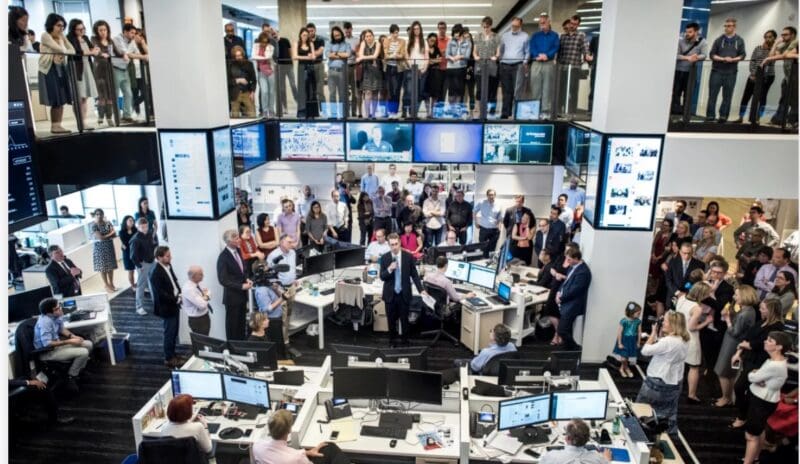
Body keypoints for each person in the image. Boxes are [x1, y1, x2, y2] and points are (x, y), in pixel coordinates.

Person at [730, 298, 786, 431]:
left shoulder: (777, 327)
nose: (760, 310)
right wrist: (738, 353)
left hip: (761, 362)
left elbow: (758, 344)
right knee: (742, 388)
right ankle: (744, 414)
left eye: (763, 308)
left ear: (771, 310)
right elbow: (747, 339)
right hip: (749, 358)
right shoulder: (761, 322)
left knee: (740, 387)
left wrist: (748, 345)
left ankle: (743, 416)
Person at [636, 310, 690, 436]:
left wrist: (653, 333)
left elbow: (645, 351)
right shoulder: (685, 339)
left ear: (673, 324)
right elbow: (665, 348)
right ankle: (665, 437)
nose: (662, 323)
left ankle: (639, 434)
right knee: (667, 413)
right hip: (675, 381)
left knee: (641, 410)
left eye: (664, 321)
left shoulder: (668, 342)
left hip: (657, 381)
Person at [741, 332, 791, 464]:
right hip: (763, 399)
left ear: (779, 347)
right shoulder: (775, 361)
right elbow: (758, 377)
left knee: (751, 435)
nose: (765, 341)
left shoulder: (774, 365)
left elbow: (752, 377)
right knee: (759, 430)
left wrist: (754, 374)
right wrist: (758, 376)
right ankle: (755, 457)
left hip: (761, 402)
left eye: (770, 340)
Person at [34, 298, 93, 393]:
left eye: (59, 307)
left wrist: (73, 336)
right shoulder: (45, 322)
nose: (60, 309)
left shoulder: (56, 316)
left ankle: (79, 371)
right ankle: (71, 377)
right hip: (48, 352)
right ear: (49, 313)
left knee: (88, 344)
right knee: (83, 352)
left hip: (57, 346)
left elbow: (61, 329)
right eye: (57, 309)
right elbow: (47, 343)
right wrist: (69, 341)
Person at [714, 285, 759, 408]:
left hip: (732, 344)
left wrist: (727, 319)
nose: (734, 297)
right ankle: (728, 397)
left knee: (723, 371)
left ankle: (726, 398)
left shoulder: (746, 313)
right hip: (733, 343)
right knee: (729, 372)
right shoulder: (748, 310)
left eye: (737, 295)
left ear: (744, 296)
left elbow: (734, 332)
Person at [252, 409, 350, 464]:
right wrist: (303, 455)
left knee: (326, 448)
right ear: (289, 430)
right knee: (330, 447)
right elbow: (295, 458)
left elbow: (282, 454)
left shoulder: (257, 446)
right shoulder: (296, 457)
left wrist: (307, 452)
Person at [380, 233, 426, 346]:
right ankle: (392, 341)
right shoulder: (385, 258)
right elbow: (382, 277)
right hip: (390, 294)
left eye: (396, 244)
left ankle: (405, 341)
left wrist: (421, 290)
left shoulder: (408, 257)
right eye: (392, 245)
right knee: (391, 320)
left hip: (403, 293)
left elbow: (414, 275)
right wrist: (389, 269)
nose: (394, 247)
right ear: (389, 245)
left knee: (404, 320)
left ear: (400, 243)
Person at [675, 282, 715, 404]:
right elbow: (692, 327)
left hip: (678, 335)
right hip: (691, 339)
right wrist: (707, 321)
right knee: (694, 367)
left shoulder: (681, 298)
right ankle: (691, 395)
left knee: (678, 363)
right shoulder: (697, 308)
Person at [38, 13, 75, 134]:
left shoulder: (61, 36)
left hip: (60, 67)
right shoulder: (45, 35)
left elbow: (72, 50)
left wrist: (64, 47)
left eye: (63, 26)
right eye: (59, 25)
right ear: (51, 25)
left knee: (62, 97)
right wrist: (63, 49)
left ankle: (58, 125)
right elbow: (61, 49)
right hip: (49, 69)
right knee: (56, 98)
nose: (61, 29)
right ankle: (55, 126)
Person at [705, 18, 746, 123]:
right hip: (717, 71)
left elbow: (742, 55)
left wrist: (732, 59)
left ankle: (723, 116)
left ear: (734, 27)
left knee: (727, 96)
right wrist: (723, 59)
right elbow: (712, 55)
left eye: (729, 26)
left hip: (731, 73)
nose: (726, 28)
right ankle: (710, 116)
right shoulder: (718, 40)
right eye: (725, 26)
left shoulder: (739, 40)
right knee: (712, 95)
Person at [149, 246, 183, 368]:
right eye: (167, 256)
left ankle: (173, 354)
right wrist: (176, 299)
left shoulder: (168, 265)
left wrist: (179, 293)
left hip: (174, 303)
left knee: (174, 332)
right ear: (159, 258)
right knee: (169, 333)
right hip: (167, 307)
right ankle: (169, 358)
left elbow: (173, 281)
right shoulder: (155, 273)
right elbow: (161, 294)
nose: (170, 257)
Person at [217, 229, 252, 341]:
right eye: (236, 239)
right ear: (228, 242)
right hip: (232, 298)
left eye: (238, 237)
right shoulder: (223, 257)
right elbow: (223, 280)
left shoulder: (238, 250)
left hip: (242, 296)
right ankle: (233, 347)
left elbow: (243, 269)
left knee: (241, 324)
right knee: (233, 327)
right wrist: (241, 286)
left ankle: (241, 345)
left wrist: (247, 279)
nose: (239, 240)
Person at [736, 29, 777, 123]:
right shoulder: (758, 48)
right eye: (766, 37)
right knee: (746, 96)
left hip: (767, 77)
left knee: (762, 97)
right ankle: (740, 117)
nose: (767, 39)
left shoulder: (775, 50)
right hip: (753, 76)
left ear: (774, 38)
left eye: (770, 37)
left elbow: (771, 62)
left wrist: (770, 48)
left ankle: (758, 118)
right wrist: (753, 74)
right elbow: (752, 61)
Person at [267, 235, 299, 358]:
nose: (292, 244)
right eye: (289, 242)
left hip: (292, 287)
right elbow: (269, 274)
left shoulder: (293, 253)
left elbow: (292, 268)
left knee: (289, 315)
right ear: (281, 242)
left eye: (292, 242)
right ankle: (284, 343)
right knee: (283, 317)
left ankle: (286, 337)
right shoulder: (273, 255)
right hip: (281, 289)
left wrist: (294, 279)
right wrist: (277, 290)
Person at [556, 247, 592, 351]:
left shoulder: (583, 272)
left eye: (569, 259)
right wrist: (559, 291)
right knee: (567, 329)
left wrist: (561, 298)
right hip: (566, 303)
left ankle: (575, 348)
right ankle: (567, 348)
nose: (567, 261)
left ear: (576, 258)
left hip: (573, 305)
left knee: (562, 330)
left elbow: (575, 291)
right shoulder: (573, 267)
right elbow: (566, 282)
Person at [66, 19, 99, 129]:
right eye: (79, 29)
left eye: (83, 28)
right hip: (77, 68)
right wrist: (91, 52)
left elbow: (91, 49)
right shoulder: (70, 39)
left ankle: (84, 122)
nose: (82, 31)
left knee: (85, 97)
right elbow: (76, 52)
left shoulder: (85, 38)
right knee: (79, 97)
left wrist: (95, 50)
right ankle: (80, 122)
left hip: (87, 67)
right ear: (73, 30)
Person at [763, 26, 798, 127]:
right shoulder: (784, 44)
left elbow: (785, 55)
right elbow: (772, 55)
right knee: (783, 99)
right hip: (787, 76)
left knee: (795, 100)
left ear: (792, 35)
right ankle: (778, 120)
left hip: (796, 76)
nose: (783, 36)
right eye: (782, 35)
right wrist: (775, 44)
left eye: (785, 34)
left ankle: (792, 121)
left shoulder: (796, 42)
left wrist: (769, 59)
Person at [557, 15, 592, 116]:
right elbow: (559, 51)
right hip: (563, 68)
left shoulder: (581, 35)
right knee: (561, 91)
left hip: (574, 68)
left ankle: (572, 113)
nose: (572, 26)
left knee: (573, 91)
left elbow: (585, 47)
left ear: (578, 25)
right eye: (571, 23)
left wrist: (587, 55)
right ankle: (559, 111)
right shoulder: (563, 36)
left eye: (575, 24)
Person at [671, 22, 708, 115]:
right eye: (686, 32)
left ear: (696, 32)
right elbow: (675, 55)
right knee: (676, 93)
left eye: (690, 32)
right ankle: (675, 113)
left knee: (688, 94)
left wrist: (696, 57)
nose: (687, 34)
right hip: (678, 71)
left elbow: (704, 55)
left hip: (691, 72)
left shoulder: (702, 42)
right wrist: (687, 58)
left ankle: (685, 114)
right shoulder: (681, 41)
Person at [111, 24, 145, 123]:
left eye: (134, 33)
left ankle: (126, 115)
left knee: (128, 93)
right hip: (115, 69)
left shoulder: (132, 41)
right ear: (125, 32)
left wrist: (141, 55)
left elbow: (137, 53)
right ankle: (117, 117)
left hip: (125, 69)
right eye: (132, 33)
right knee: (115, 94)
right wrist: (143, 57)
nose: (133, 35)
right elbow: (126, 53)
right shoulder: (117, 39)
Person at [528, 14, 559, 119]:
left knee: (547, 87)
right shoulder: (535, 35)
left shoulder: (554, 35)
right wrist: (538, 55)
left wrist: (547, 55)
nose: (542, 24)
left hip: (548, 63)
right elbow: (532, 47)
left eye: (543, 22)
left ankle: (545, 111)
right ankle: (535, 110)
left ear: (548, 22)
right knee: (535, 87)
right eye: (540, 23)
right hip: (536, 62)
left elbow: (556, 47)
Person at [539, 419, 611, 464]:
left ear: (567, 438)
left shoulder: (552, 456)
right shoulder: (597, 458)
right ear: (587, 438)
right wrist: (606, 459)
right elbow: (605, 462)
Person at [498, 17, 528, 119]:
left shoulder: (525, 36)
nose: (514, 28)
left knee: (517, 91)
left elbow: (527, 51)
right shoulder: (505, 36)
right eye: (513, 26)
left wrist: (525, 62)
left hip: (518, 65)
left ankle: (516, 113)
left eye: (516, 26)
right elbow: (501, 50)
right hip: (505, 65)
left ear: (520, 25)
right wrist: (501, 60)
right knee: (506, 90)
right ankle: (505, 113)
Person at [90, 20, 116, 126]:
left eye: (105, 30)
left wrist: (124, 54)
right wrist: (102, 54)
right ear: (97, 31)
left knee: (110, 95)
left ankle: (109, 117)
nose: (103, 32)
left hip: (109, 69)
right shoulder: (93, 39)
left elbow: (115, 52)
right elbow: (96, 50)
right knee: (101, 95)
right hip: (98, 69)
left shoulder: (110, 41)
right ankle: (100, 117)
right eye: (100, 30)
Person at [665, 241, 704, 310]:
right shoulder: (673, 262)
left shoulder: (699, 265)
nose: (687, 256)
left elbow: (698, 283)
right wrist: (677, 292)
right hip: (673, 296)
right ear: (680, 252)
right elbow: (668, 280)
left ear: (692, 252)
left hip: (690, 299)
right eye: (684, 253)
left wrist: (687, 294)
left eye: (689, 253)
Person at [129, 217, 157, 315]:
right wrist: (139, 266)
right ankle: (139, 307)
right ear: (138, 227)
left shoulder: (149, 234)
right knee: (141, 286)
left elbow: (152, 246)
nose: (145, 229)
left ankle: (156, 302)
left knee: (152, 283)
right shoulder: (135, 239)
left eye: (146, 226)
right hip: (143, 264)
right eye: (142, 227)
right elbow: (132, 256)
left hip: (152, 262)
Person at [382, 24, 408, 117]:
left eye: (397, 32)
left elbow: (402, 55)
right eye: (394, 33)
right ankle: (390, 111)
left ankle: (395, 112)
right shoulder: (386, 41)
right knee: (390, 90)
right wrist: (395, 55)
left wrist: (393, 55)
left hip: (399, 68)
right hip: (389, 67)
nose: (396, 35)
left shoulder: (402, 41)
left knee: (397, 90)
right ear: (391, 33)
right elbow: (386, 55)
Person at [611, 302, 643, 379]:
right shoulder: (624, 321)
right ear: (631, 312)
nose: (639, 314)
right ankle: (627, 368)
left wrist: (638, 342)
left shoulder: (638, 321)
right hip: (624, 340)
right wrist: (619, 343)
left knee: (627, 356)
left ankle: (622, 368)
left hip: (632, 340)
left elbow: (639, 332)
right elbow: (619, 332)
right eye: (638, 313)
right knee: (623, 358)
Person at [90, 209, 117, 293]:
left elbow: (115, 234)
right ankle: (106, 285)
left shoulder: (107, 223)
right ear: (95, 215)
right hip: (99, 248)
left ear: (103, 214)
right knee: (103, 267)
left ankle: (111, 283)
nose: (99, 216)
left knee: (111, 266)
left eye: (100, 214)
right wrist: (110, 233)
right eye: (97, 214)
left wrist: (109, 235)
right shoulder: (94, 225)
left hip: (109, 246)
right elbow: (100, 237)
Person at [357, 29, 382, 118]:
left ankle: (374, 114)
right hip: (366, 71)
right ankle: (367, 114)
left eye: (370, 36)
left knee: (375, 93)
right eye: (367, 36)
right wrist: (364, 57)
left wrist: (363, 57)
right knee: (367, 93)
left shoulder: (378, 44)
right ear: (365, 38)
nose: (368, 38)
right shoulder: (363, 43)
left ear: (373, 36)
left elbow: (375, 56)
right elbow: (360, 55)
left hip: (376, 71)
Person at [444, 23, 471, 105]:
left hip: (462, 67)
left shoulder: (468, 43)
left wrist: (459, 57)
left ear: (461, 32)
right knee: (451, 90)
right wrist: (452, 58)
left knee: (460, 90)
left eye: (457, 32)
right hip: (451, 68)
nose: (455, 35)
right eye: (454, 33)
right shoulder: (450, 41)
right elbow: (446, 54)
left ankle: (457, 108)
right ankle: (451, 108)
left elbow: (467, 56)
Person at [294, 27, 319, 118]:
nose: (305, 37)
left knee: (311, 90)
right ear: (300, 35)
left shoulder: (311, 44)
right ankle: (302, 112)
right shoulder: (296, 43)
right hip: (301, 68)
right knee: (302, 90)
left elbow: (314, 57)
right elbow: (295, 56)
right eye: (303, 35)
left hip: (310, 68)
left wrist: (311, 56)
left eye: (306, 35)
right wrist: (307, 57)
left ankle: (311, 113)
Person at [181, 265, 212, 336]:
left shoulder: (199, 283)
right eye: (201, 274)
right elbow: (202, 305)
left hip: (204, 316)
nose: (203, 275)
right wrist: (206, 296)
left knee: (206, 338)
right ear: (194, 276)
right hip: (197, 320)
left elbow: (209, 291)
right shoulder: (188, 289)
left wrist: (205, 296)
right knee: (201, 340)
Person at [327, 26, 351, 117]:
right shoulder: (329, 44)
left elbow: (347, 54)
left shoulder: (346, 44)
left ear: (341, 34)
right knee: (332, 94)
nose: (337, 37)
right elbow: (328, 55)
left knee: (342, 94)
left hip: (342, 72)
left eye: (338, 35)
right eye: (335, 36)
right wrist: (341, 54)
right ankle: (333, 114)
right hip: (331, 71)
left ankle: (342, 114)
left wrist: (335, 53)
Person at [227, 45, 256, 118]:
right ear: (234, 56)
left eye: (240, 55)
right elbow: (228, 81)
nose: (239, 57)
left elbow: (254, 79)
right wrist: (238, 80)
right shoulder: (230, 65)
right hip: (234, 93)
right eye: (236, 56)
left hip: (247, 92)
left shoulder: (249, 64)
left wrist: (252, 92)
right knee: (235, 116)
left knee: (252, 115)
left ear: (243, 54)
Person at [473, 189, 503, 257]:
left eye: (493, 195)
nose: (491, 196)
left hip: (494, 230)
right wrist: (475, 222)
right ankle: (482, 260)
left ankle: (490, 261)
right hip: (484, 229)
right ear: (487, 195)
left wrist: (499, 226)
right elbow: (474, 211)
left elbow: (500, 217)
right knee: (482, 247)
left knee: (492, 248)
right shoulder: (481, 203)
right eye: (490, 195)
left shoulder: (498, 204)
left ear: (495, 195)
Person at [253, 31, 276, 117]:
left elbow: (268, 56)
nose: (264, 44)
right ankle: (265, 110)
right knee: (264, 91)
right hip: (261, 72)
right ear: (259, 41)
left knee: (271, 92)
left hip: (270, 71)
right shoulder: (255, 46)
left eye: (266, 42)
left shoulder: (271, 47)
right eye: (262, 42)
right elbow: (253, 56)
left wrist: (260, 57)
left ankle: (271, 110)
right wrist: (263, 58)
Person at [118, 215, 137, 290]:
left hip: (136, 252)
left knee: (140, 269)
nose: (132, 222)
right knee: (131, 271)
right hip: (128, 253)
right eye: (130, 220)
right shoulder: (121, 232)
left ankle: (141, 284)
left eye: (132, 220)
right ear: (125, 222)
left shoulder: (135, 230)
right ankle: (133, 285)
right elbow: (126, 244)